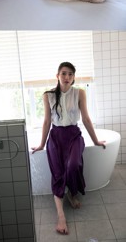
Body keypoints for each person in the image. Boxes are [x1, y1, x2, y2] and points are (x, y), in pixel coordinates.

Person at [32, 62, 106, 235]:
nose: (67, 77)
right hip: (56, 137)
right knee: (58, 173)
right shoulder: (48, 95)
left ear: (74, 77)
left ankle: (72, 194)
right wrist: (42, 144)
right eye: (64, 73)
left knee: (73, 166)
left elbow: (86, 118)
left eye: (70, 74)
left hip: (73, 135)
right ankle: (61, 216)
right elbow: (46, 121)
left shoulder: (79, 93)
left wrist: (95, 140)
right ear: (57, 75)